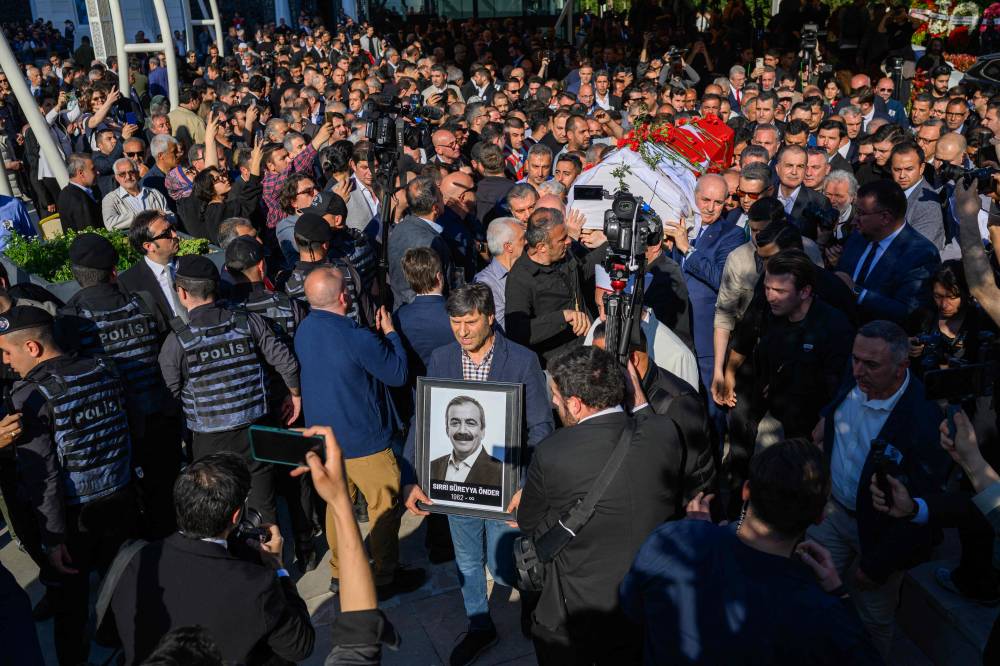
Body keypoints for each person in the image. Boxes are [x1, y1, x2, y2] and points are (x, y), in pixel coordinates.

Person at [620, 439, 883, 665]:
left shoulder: (669, 541)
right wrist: (840, 593)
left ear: (746, 490)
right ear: (820, 517)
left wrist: (695, 535)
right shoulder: (821, 615)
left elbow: (632, 606)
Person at [402, 284, 554, 666]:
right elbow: (424, 419)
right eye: (455, 322)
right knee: (468, 561)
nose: (463, 331)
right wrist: (411, 476)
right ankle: (479, 624)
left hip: (507, 484)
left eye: (470, 322)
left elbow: (540, 426)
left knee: (507, 567)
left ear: (490, 318)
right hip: (456, 486)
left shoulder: (521, 360)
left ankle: (528, 604)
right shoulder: (440, 359)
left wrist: (525, 484)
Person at [518, 346, 693, 664]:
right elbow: (648, 426)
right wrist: (638, 397)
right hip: (648, 606)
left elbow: (529, 524)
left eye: (556, 397)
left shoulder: (551, 453)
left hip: (581, 610)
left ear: (575, 403)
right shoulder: (665, 432)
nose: (554, 402)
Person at [0, 305, 135, 666]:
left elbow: (41, 475)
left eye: (6, 352)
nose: (5, 362)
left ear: (32, 348)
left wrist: (54, 538)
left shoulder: (29, 398)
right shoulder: (104, 368)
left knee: (70, 612)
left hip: (73, 521)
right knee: (119, 587)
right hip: (120, 500)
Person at [810, 320, 951, 658]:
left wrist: (878, 566)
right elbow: (834, 410)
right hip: (831, 516)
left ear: (902, 366)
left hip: (879, 536)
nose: (859, 370)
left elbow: (922, 510)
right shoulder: (858, 375)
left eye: (871, 364)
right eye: (855, 360)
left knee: (872, 618)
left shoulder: (924, 420)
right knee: (812, 592)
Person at [108, 452, 315, 665]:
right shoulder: (256, 585)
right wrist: (277, 567)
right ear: (236, 516)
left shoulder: (137, 561)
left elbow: (113, 635)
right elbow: (300, 646)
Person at [294, 265, 426, 598]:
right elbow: (396, 373)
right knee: (384, 508)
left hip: (327, 443)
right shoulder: (356, 336)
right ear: (344, 297)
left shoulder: (304, 330)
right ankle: (385, 575)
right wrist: (391, 335)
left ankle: (340, 572)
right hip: (366, 440)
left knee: (337, 506)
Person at [158, 255, 301, 526]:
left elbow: (171, 392)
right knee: (263, 504)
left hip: (209, 439)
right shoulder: (248, 322)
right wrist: (294, 395)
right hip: (256, 428)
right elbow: (286, 362)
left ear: (182, 293)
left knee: (217, 508)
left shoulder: (178, 341)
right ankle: (272, 561)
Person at [55, 233, 180, 538]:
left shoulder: (70, 318)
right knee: (166, 496)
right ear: (114, 271)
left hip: (113, 428)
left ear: (76, 274)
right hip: (159, 416)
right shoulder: (143, 301)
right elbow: (167, 349)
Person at [734, 249, 855, 443]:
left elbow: (840, 386)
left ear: (805, 291)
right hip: (774, 421)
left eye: (780, 291)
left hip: (811, 433)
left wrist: (825, 419)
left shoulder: (834, 327)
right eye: (767, 288)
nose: (770, 297)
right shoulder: (772, 315)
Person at [834, 179, 940, 327]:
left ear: (885, 217)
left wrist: (857, 293)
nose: (854, 220)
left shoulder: (921, 254)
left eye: (861, 213)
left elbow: (908, 312)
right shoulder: (859, 236)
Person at [505, 207, 602, 367]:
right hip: (554, 366)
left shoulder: (565, 254)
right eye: (562, 239)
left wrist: (608, 243)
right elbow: (517, 331)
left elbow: (585, 268)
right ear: (541, 247)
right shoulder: (520, 278)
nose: (569, 241)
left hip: (585, 353)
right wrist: (562, 317)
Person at [387, 175, 456, 309]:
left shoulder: (399, 227)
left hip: (402, 310)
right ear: (435, 208)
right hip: (427, 312)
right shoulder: (431, 242)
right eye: (441, 195)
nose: (445, 201)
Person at [119, 210, 186, 324]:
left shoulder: (192, 265)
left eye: (172, 228)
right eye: (166, 233)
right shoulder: (128, 283)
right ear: (149, 246)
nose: (175, 235)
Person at [430, 395, 503, 485]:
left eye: (470, 423)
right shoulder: (431, 467)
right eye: (455, 423)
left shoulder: (502, 473)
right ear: (447, 430)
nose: (462, 430)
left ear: (482, 431)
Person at [474, 216, 525, 331]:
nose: (527, 242)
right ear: (508, 246)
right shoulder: (486, 283)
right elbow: (502, 328)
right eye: (523, 239)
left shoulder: (523, 270)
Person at [101, 157, 173, 231]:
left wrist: (165, 217)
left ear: (137, 173)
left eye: (131, 172)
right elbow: (110, 224)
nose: (128, 177)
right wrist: (145, 215)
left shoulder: (154, 193)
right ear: (116, 177)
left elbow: (172, 217)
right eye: (122, 174)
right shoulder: (110, 199)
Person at [57, 153, 102, 231]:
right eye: (93, 169)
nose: (97, 172)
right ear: (81, 173)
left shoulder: (65, 192)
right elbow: (89, 231)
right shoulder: (79, 199)